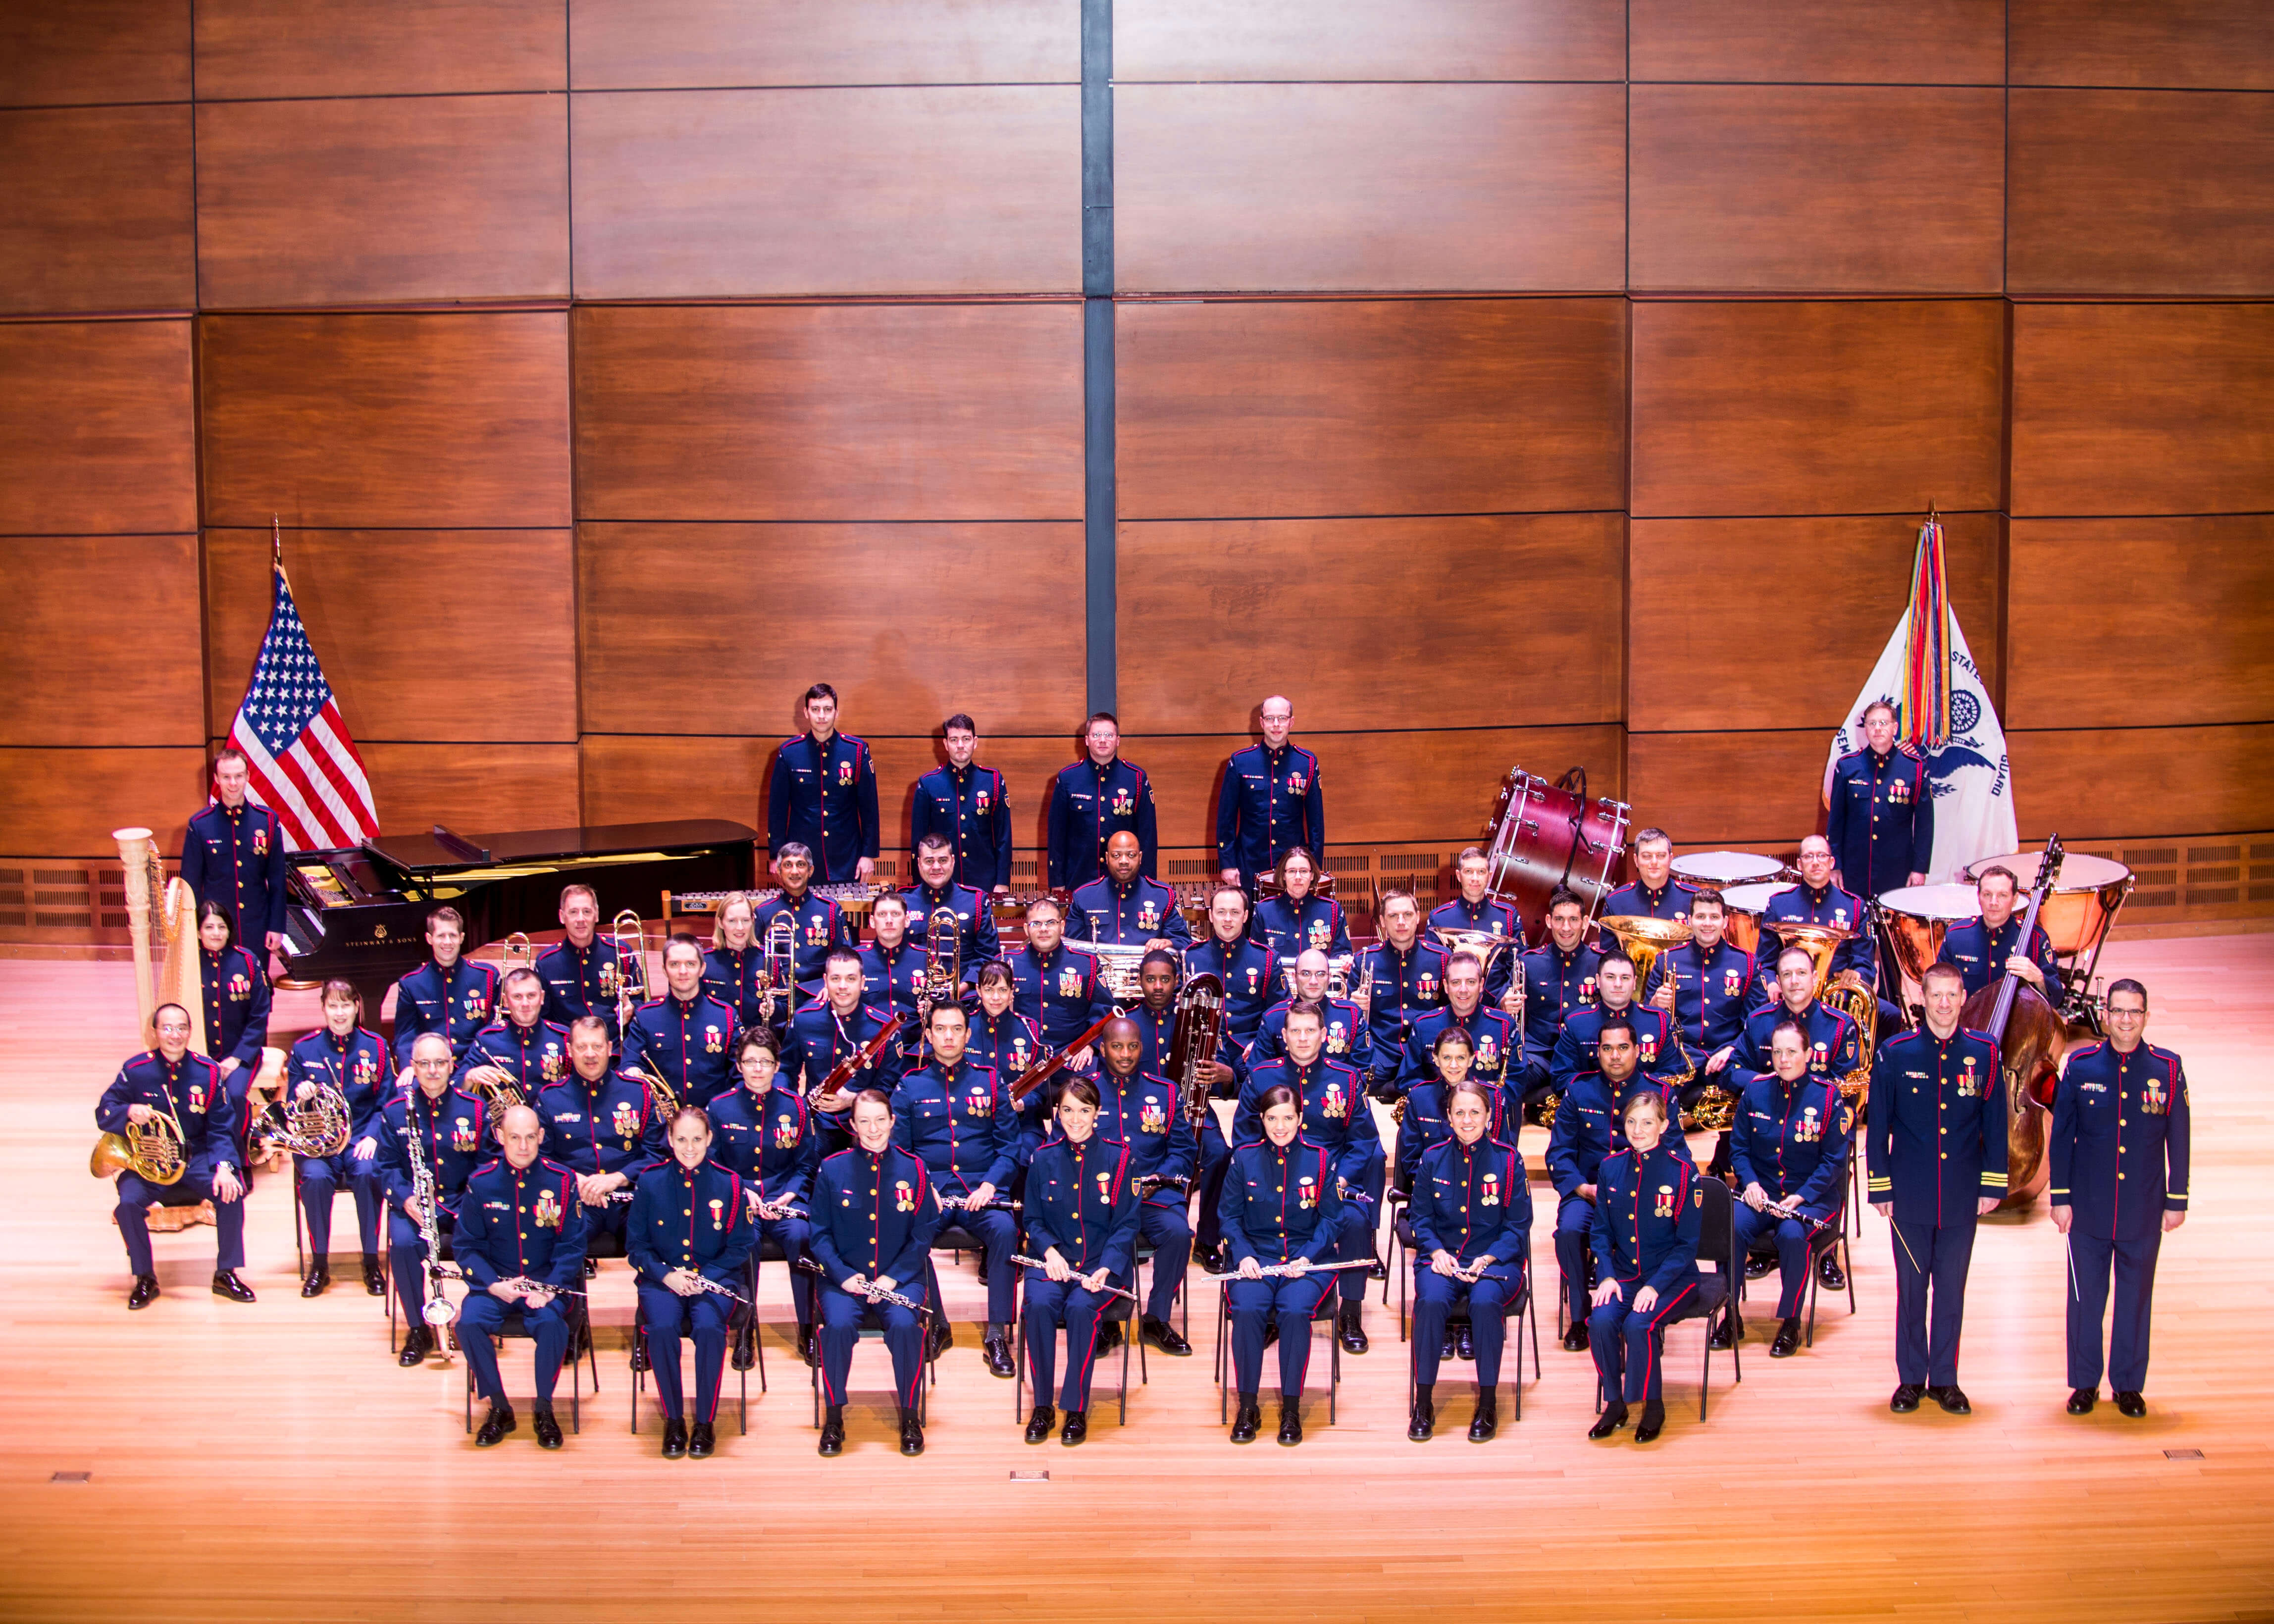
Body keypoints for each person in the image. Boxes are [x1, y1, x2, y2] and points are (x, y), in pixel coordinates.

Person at [1868, 962, 2006, 1415]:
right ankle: (1910, 1379)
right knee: (1912, 1290)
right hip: (1909, 1194)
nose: (1944, 1005)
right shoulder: (1896, 1052)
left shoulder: (1986, 1053)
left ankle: (1945, 1379)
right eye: (1936, 996)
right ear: (1922, 999)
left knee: (1951, 1290)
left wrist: (1993, 1184)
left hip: (1963, 1195)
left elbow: (1996, 1124)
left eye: (1952, 996)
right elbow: (1878, 1127)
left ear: (1963, 998)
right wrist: (1881, 1187)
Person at [2049, 979, 2188, 1418]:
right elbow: (2064, 1135)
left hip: (2142, 1207)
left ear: (2146, 1017)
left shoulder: (2167, 1069)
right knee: (2085, 1300)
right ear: (2105, 1015)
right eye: (2118, 1012)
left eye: (2135, 1012)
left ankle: (2128, 1385)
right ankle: (2085, 1384)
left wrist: (2176, 1198)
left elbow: (2178, 1139)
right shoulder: (2081, 1064)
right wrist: (2060, 1196)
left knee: (2134, 1300)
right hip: (2087, 1208)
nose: (2126, 1021)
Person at [1036, 1016, 1199, 1356]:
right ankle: (1104, 1318)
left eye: (1133, 1046)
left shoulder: (1165, 1092)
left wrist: (1159, 1178)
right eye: (1117, 1046)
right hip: (1097, 1198)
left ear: (1143, 1047)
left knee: (1179, 1234)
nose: (1125, 1054)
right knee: (1099, 1229)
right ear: (1102, 1047)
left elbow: (1185, 1149)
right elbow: (1058, 1149)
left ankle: (1156, 1318)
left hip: (1153, 1194)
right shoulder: (1084, 1091)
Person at [1236, 1003, 1379, 1355]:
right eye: (1295, 1031)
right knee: (1265, 1222)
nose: (1303, 1038)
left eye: (1310, 1031)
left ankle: (1350, 1312)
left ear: (1324, 1035)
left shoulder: (1346, 1079)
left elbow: (1364, 1141)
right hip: (1274, 1184)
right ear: (1283, 1037)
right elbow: (1244, 1139)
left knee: (1357, 1222)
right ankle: (1272, 1313)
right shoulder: (1262, 1076)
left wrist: (1341, 1181)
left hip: (1333, 1184)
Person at [1547, 1015, 1693, 1351]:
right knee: (1569, 1232)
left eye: (1623, 1048)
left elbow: (1679, 1159)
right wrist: (1582, 1188)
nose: (1615, 1056)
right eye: (1608, 1048)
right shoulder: (1578, 1091)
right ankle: (1582, 1318)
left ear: (1638, 1051)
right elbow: (1559, 1153)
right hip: (1589, 1194)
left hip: (1645, 1199)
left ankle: (1645, 1315)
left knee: (1657, 1230)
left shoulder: (1659, 1093)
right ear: (1597, 1052)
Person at [892, 1002, 1021, 1377]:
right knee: (908, 1236)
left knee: (1006, 1231)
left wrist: (989, 1185)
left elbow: (1009, 1148)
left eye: (957, 1029)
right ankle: (938, 1324)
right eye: (941, 1029)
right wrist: (922, 1187)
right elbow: (900, 1151)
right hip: (930, 1192)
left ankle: (997, 1333)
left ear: (968, 1034)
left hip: (981, 1190)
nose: (949, 1036)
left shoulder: (990, 1080)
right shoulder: (910, 1086)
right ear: (928, 1035)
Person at [97, 1002, 254, 1309]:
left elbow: (222, 1127)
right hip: (149, 1161)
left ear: (190, 1032)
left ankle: (226, 1273)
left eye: (181, 1028)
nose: (175, 1035)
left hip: (196, 1158)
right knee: (127, 1205)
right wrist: (128, 1111)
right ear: (155, 1032)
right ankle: (145, 1277)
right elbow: (104, 1112)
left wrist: (225, 1167)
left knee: (232, 1191)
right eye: (167, 1028)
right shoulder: (135, 1070)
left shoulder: (207, 1072)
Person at [812, 1089, 940, 1457]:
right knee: (836, 1328)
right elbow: (819, 1233)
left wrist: (892, 1278)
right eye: (864, 1121)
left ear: (893, 1121)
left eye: (880, 1120)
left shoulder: (914, 1168)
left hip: (900, 1278)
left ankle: (909, 1415)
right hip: (844, 1280)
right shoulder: (832, 1168)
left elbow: (923, 1234)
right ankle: (834, 1416)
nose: (873, 1129)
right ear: (852, 1125)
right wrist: (842, 1275)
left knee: (904, 1327)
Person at [453, 1104, 587, 1449]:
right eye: (515, 1137)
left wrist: (551, 1290)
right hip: (495, 1284)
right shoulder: (481, 1184)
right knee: (468, 1324)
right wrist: (493, 1284)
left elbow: (572, 1246)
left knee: (552, 1325)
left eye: (531, 1137)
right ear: (499, 1137)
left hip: (544, 1285)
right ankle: (499, 1407)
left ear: (542, 1137)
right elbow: (466, 1247)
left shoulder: (562, 1181)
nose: (524, 1146)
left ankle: (544, 1408)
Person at [1407, 1077, 1531, 1443]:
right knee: (1429, 1301)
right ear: (1447, 1116)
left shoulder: (1509, 1162)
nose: (1467, 1120)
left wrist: (1492, 1256)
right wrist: (1436, 1251)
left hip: (1496, 1261)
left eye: (1475, 1112)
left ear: (1490, 1117)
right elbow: (1421, 1219)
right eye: (1459, 1112)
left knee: (1486, 1301)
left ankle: (1488, 1403)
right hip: (1444, 1259)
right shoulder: (1432, 1159)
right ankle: (1424, 1401)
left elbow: (1520, 1224)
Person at [1021, 1077, 1142, 1445]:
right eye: (1068, 1110)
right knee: (1039, 1305)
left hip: (1102, 1267)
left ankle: (1075, 1408)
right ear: (1057, 1113)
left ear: (1097, 1113)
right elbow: (1032, 1219)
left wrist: (1106, 1266)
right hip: (1053, 1263)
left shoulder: (1121, 1159)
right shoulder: (1042, 1158)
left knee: (1079, 1309)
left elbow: (1127, 1223)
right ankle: (1043, 1406)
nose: (1075, 1120)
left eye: (1084, 1111)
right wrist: (1050, 1252)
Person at [628, 1107, 753, 1459]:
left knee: (710, 1329)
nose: (689, 1147)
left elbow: (740, 1246)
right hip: (661, 1280)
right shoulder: (650, 1181)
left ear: (710, 1139)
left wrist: (704, 1277)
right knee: (664, 1328)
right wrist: (667, 1275)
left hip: (714, 1279)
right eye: (681, 1139)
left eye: (697, 1139)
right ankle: (673, 1420)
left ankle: (704, 1421)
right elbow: (636, 1247)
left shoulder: (730, 1183)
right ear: (669, 1139)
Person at [1727, 1018, 1852, 1359]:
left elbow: (1834, 1160)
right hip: (1761, 1194)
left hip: (1811, 1198)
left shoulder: (1828, 1099)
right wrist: (1750, 1183)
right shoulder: (1755, 1092)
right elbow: (1738, 1149)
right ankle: (1730, 1314)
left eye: (1792, 1052)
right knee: (1731, 1227)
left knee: (1793, 1235)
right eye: (1778, 1052)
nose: (1783, 1059)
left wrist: (1804, 1195)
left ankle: (1791, 1321)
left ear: (1808, 1054)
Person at [1585, 1089, 1704, 1444]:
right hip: (1624, 1274)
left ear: (1664, 1126)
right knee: (1602, 1321)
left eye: (1647, 1123)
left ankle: (1653, 1406)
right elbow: (1601, 1232)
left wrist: (1655, 1286)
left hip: (1673, 1277)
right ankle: (1616, 1403)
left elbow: (1686, 1246)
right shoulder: (1610, 1168)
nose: (1638, 1130)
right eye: (1632, 1122)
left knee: (1639, 1325)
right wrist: (1606, 1274)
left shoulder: (1684, 1173)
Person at [709, 1030, 820, 1368]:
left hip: (786, 1197)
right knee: (742, 1242)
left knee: (802, 1238)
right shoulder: (719, 1107)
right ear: (739, 1065)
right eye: (750, 1061)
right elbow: (713, 1165)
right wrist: (741, 1192)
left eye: (765, 1062)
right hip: (739, 1200)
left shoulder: (795, 1106)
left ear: (777, 1065)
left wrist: (791, 1193)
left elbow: (805, 1163)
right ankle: (744, 1331)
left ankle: (808, 1328)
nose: (758, 1069)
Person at [380, 1033, 488, 1365]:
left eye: (440, 1063)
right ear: (413, 1067)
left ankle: (478, 1320)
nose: (432, 1071)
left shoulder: (475, 1109)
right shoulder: (396, 1112)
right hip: (414, 1205)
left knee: (486, 1239)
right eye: (424, 1064)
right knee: (401, 1244)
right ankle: (418, 1328)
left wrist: (472, 1202)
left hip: (461, 1204)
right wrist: (405, 1199)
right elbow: (384, 1167)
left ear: (452, 1065)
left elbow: (487, 1166)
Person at [285, 978, 391, 1296]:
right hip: (319, 1143)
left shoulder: (377, 1047)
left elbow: (386, 1103)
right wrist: (299, 1092)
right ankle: (320, 1265)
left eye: (346, 1005)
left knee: (370, 1172)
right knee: (315, 1180)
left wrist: (373, 1136)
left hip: (361, 1138)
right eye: (333, 1006)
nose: (340, 1013)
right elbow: (291, 1106)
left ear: (357, 1006)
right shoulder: (304, 1049)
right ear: (323, 1008)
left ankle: (371, 1262)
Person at [533, 1015, 662, 1271]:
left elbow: (657, 1154)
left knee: (659, 1245)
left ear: (610, 1048)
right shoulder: (551, 1098)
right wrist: (575, 1180)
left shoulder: (639, 1092)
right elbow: (541, 1159)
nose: (590, 1054)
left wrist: (618, 1178)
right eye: (582, 1047)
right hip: (577, 1201)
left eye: (597, 1046)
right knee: (553, 1251)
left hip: (630, 1200)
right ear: (569, 1050)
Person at [1645, 888, 1756, 1101]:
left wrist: (1732, 1049)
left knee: (1758, 1088)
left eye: (1714, 917)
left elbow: (1755, 1025)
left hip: (1729, 1059)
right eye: (1701, 917)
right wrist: (1655, 1004)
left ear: (1725, 921)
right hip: (1682, 1058)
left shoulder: (1747, 964)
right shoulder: (1666, 961)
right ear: (1689, 920)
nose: (1707, 923)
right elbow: (1647, 1023)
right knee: (1652, 1093)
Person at [792, 948, 908, 1147]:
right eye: (836, 979)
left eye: (851, 979)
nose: (843, 986)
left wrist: (854, 1100)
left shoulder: (884, 1029)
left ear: (863, 983)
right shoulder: (804, 1019)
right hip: (817, 1121)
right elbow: (786, 1070)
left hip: (867, 1124)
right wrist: (796, 1111)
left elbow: (889, 1088)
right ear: (825, 980)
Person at [767, 681, 879, 887]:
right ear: (806, 712)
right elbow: (777, 810)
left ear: (836, 712)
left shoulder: (856, 750)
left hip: (847, 857)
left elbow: (870, 809)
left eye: (828, 709)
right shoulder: (789, 752)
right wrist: (776, 855)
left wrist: (868, 855)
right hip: (800, 859)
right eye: (816, 709)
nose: (822, 716)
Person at [180, 746, 286, 959]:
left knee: (259, 985)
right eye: (226, 777)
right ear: (217, 779)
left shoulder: (267, 821)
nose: (233, 783)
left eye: (238, 776)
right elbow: (191, 884)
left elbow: (277, 880)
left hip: (256, 924)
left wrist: (277, 926)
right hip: (216, 927)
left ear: (248, 776)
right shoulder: (200, 825)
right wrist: (196, 928)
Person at [1217, 696, 1325, 892]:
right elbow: (1226, 819)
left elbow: (1316, 824)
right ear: (1261, 722)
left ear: (1291, 722)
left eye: (1282, 718)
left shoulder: (1307, 763)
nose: (1276, 725)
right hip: (1248, 865)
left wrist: (1314, 868)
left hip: (1294, 870)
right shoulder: (1241, 761)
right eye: (1270, 719)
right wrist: (1228, 863)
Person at [1550, 951, 1690, 1102]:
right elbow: (1561, 1078)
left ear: (1635, 982)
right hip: (1592, 1112)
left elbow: (1673, 1074)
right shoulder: (1576, 1023)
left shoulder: (1659, 1021)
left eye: (1625, 978)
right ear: (1598, 980)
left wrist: (1634, 1091)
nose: (1618, 984)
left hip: (1646, 1111)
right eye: (1610, 977)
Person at [1827, 701, 1934, 898]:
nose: (1878, 729)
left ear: (1895, 728)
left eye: (1884, 723)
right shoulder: (1848, 767)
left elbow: (1924, 826)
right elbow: (1835, 823)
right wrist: (1835, 865)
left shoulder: (1915, 769)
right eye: (1872, 723)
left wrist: (1920, 869)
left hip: (1897, 872)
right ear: (1865, 729)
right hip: (1854, 871)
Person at [622, 934, 738, 1109]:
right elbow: (630, 1062)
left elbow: (740, 1071)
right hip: (663, 1126)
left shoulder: (725, 1016)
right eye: (675, 964)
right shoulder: (646, 1017)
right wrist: (632, 1071)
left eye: (690, 964)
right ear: (664, 969)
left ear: (702, 968)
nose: (683, 971)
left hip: (713, 1123)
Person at [1046, 711, 1158, 891]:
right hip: (1079, 879)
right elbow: (1057, 837)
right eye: (1096, 735)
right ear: (1087, 740)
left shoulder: (1136, 778)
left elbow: (1148, 838)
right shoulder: (1068, 778)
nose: (1103, 740)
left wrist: (1147, 882)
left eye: (1109, 735)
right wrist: (1057, 882)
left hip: (1126, 880)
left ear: (1118, 740)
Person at [1516, 886, 1602, 1115]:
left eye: (1573, 920)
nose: (1566, 928)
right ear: (1549, 921)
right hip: (1540, 1056)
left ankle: (1548, 1099)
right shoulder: (1528, 963)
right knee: (1510, 1078)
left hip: (1586, 1058)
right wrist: (1506, 1004)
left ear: (1585, 922)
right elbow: (1507, 1009)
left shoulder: (1602, 965)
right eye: (1560, 920)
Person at [1756, 836, 1875, 999]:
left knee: (1891, 1015)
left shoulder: (1854, 907)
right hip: (1789, 994)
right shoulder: (1779, 904)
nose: (1816, 862)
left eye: (1821, 855)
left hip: (1838, 997)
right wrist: (1771, 983)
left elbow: (1865, 963)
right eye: (1809, 856)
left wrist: (1857, 975)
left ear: (1832, 862)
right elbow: (1765, 962)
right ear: (1799, 864)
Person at [1356, 888, 1448, 1098]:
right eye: (1393, 916)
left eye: (1407, 915)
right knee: (1354, 1083)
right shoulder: (1364, 960)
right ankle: (1404, 1089)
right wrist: (1354, 1007)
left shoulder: (1441, 959)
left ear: (1418, 918)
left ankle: (1397, 1090)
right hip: (1382, 1053)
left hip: (1426, 1053)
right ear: (1382, 921)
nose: (1401, 922)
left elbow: (1449, 1013)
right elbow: (1353, 1021)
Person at [911, 714, 1014, 895]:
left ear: (975, 742)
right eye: (954, 739)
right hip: (941, 881)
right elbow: (918, 841)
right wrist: (920, 886)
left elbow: (1003, 837)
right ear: (945, 744)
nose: (960, 745)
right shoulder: (929, 783)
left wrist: (1002, 883)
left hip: (983, 882)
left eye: (966, 739)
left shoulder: (992, 781)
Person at [1396, 951, 1522, 1099]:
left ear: (1481, 985)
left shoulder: (1504, 1026)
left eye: (1471, 982)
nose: (1464, 990)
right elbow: (1407, 1079)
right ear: (1446, 986)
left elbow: (1516, 1081)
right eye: (1456, 982)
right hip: (1438, 1114)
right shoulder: (1424, 1026)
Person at [389, 906, 500, 1073]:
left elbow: (494, 1030)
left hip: (477, 1066)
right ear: (429, 938)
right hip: (431, 1070)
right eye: (441, 936)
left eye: (453, 935)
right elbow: (405, 1036)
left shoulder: (487, 977)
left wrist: (470, 1070)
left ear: (462, 938)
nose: (447, 942)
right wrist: (409, 1066)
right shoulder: (412, 984)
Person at [1937, 864, 2064, 1001]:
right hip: (1966, 1022)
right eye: (1987, 894)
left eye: (2002, 895)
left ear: (2015, 900)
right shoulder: (1956, 936)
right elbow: (1936, 990)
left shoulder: (2035, 938)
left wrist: (2038, 977)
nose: (1993, 902)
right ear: (1979, 897)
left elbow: (2057, 999)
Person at [457, 966, 570, 1115]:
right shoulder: (487, 1040)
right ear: (505, 1001)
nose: (525, 1003)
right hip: (503, 1134)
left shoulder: (563, 1038)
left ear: (542, 997)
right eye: (517, 997)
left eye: (531, 996)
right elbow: (456, 1086)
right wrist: (470, 1077)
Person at [752, 842, 858, 997]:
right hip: (779, 995)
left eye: (801, 865)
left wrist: (831, 987)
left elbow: (844, 957)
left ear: (811, 870)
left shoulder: (830, 910)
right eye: (788, 865)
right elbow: (755, 959)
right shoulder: (764, 912)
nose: (794, 872)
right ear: (779, 871)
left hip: (818, 994)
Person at [1006, 896, 1112, 1051]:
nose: (1044, 929)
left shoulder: (1086, 963)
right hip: (1020, 1054)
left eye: (1051, 923)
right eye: (1036, 924)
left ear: (1062, 926)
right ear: (1026, 929)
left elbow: (1105, 1009)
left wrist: (1091, 1045)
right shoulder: (1007, 964)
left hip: (1073, 1056)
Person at [1185, 885, 1279, 1055]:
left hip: (1251, 1050)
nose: (1228, 919)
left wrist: (1260, 1044)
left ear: (1246, 916)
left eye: (1235, 912)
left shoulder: (1267, 959)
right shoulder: (1191, 958)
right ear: (1211, 916)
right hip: (1205, 1050)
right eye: (1221, 912)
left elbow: (1279, 1010)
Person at [1251, 947, 1371, 1075]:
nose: (1313, 981)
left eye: (1320, 974)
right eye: (1306, 974)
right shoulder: (1273, 1018)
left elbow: (1363, 1071)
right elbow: (1258, 1072)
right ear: (1294, 977)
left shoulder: (1351, 1016)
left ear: (1330, 977)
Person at [1428, 847, 1523, 1008]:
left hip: (1496, 1007)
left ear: (1490, 876)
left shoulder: (1508, 916)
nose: (1475, 878)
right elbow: (1433, 966)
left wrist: (1505, 998)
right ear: (1459, 875)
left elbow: (1518, 965)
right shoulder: (1439, 918)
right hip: (1452, 1008)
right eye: (1469, 871)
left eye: (1481, 872)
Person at [1070, 830, 1192, 951]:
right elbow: (1072, 946)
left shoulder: (1163, 896)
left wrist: (1167, 943)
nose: (1124, 861)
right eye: (1116, 855)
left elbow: (1183, 941)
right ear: (1107, 858)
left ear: (1140, 857)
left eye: (1131, 855)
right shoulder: (1084, 897)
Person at [902, 831, 1002, 979]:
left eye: (943, 860)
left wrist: (964, 987)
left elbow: (989, 956)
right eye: (929, 861)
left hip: (965, 998)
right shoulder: (902, 902)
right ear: (919, 863)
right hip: (913, 996)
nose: (936, 867)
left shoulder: (976, 901)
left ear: (953, 861)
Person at [192, 901, 270, 1084]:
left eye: (222, 927)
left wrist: (237, 1058)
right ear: (198, 932)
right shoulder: (188, 963)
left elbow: (259, 1016)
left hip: (240, 1053)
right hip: (200, 1054)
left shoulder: (247, 962)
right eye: (209, 927)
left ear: (229, 931)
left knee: (234, 1095)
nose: (217, 933)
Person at [535, 882, 622, 1047]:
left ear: (596, 915)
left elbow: (640, 1004)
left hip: (614, 1051)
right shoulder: (547, 963)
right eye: (573, 912)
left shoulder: (620, 953)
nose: (580, 919)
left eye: (587, 912)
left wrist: (631, 1007)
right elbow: (542, 1018)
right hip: (568, 1054)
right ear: (562, 917)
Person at [1596, 827, 1696, 950]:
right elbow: (1610, 958)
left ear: (1670, 859)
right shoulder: (1616, 902)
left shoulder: (1693, 898)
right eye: (1647, 856)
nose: (1654, 862)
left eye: (1661, 856)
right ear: (1636, 860)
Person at [702, 890, 779, 1038]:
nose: (740, 928)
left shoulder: (769, 959)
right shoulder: (705, 961)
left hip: (758, 1046)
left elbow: (785, 1004)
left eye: (745, 920)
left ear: (752, 920)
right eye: (732, 921)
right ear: (720, 923)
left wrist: (774, 1008)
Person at [1251, 847, 1351, 962]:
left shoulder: (1332, 910)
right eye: (1292, 871)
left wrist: (1345, 959)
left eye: (1304, 871)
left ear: (1312, 875)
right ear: (1284, 876)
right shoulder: (1264, 910)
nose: (1298, 877)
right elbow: (1256, 957)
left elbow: (1342, 953)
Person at [856, 893, 928, 1043]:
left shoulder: (927, 958)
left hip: (914, 1050)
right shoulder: (856, 959)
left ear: (907, 920)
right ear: (872, 921)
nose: (889, 921)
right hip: (868, 1049)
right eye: (882, 914)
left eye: (895, 914)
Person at [967, 959, 1046, 1082]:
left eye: (1003, 990)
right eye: (989, 990)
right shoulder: (964, 1026)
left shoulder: (1031, 1030)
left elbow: (1039, 1087)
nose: (996, 997)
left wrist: (1023, 1102)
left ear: (1012, 991)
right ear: (979, 990)